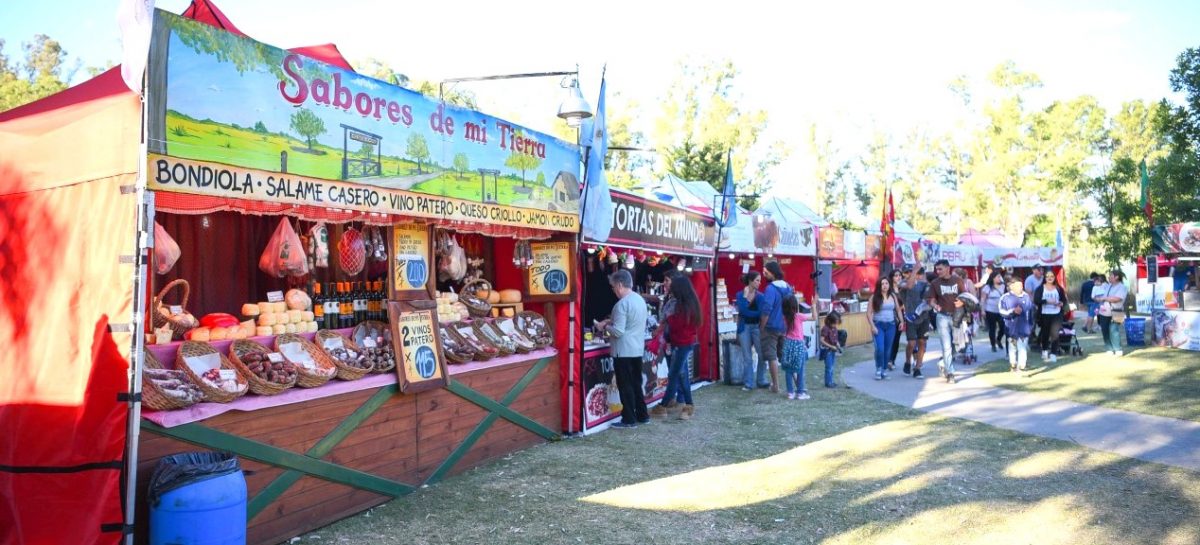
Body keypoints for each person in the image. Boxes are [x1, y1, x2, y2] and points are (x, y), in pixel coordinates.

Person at [595, 270, 650, 429]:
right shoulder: (639, 299)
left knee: (625, 385)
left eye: (613, 287)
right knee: (636, 384)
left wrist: (605, 325)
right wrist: (611, 321)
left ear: (619, 285)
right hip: (637, 348)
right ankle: (642, 415)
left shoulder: (621, 305)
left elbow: (618, 331)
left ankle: (629, 419)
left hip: (623, 351)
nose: (613, 290)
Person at [656, 273, 701, 420]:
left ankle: (664, 405)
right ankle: (686, 404)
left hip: (682, 343)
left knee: (674, 374)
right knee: (680, 374)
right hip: (681, 343)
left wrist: (668, 319)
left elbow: (677, 325)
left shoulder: (682, 306)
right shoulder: (688, 303)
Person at [758, 261, 794, 394]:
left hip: (771, 327)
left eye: (766, 273)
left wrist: (762, 326)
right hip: (784, 327)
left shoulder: (771, 289)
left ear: (772, 273)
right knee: (784, 356)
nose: (764, 275)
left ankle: (776, 386)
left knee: (772, 356)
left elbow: (767, 310)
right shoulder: (788, 288)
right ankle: (796, 381)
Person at [927, 259, 963, 383]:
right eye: (936, 269)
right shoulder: (935, 283)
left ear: (948, 268)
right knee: (946, 346)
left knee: (958, 346)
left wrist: (962, 302)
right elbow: (931, 300)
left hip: (956, 316)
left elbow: (964, 296)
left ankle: (943, 363)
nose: (938, 271)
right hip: (942, 317)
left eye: (940, 269)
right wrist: (935, 306)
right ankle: (951, 373)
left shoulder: (957, 281)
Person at [736, 272, 769, 391]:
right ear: (750, 281)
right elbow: (743, 311)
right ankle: (748, 382)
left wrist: (747, 311)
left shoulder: (760, 296)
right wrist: (745, 297)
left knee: (761, 354)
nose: (759, 283)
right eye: (757, 280)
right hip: (744, 327)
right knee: (747, 357)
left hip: (757, 326)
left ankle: (761, 379)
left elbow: (759, 312)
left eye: (760, 280)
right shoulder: (740, 295)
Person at [866, 275, 903, 380]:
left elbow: (898, 310)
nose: (885, 285)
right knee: (880, 349)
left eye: (886, 283)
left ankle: (884, 369)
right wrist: (872, 326)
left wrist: (901, 321)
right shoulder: (874, 297)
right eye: (882, 284)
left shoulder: (893, 296)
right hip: (878, 325)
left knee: (887, 350)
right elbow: (869, 313)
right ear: (879, 285)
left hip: (891, 325)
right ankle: (878, 368)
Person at [999, 278, 1035, 374]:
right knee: (1012, 348)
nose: (1021, 287)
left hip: (1024, 328)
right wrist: (1013, 312)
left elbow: (1031, 312)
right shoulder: (1005, 298)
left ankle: (1022, 367)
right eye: (1019, 285)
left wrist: (1030, 326)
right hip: (1011, 328)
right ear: (1011, 286)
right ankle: (1013, 364)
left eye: (1021, 285)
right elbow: (1002, 312)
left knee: (1022, 348)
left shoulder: (1026, 297)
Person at [900, 265, 930, 379]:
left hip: (924, 317)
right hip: (911, 317)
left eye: (911, 272)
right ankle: (908, 361)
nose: (909, 274)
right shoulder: (903, 283)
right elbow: (909, 285)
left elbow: (929, 295)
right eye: (907, 272)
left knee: (922, 342)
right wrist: (914, 272)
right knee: (912, 343)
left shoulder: (924, 283)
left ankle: (917, 368)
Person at [780, 295, 810, 400]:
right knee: (800, 369)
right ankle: (800, 392)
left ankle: (790, 392)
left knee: (789, 369)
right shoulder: (798, 316)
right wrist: (814, 306)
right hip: (798, 344)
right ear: (795, 305)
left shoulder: (785, 317)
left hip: (788, 343)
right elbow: (814, 317)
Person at [1034, 271, 1068, 362]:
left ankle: (1053, 353)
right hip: (1044, 314)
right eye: (1047, 276)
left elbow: (1064, 300)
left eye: (1052, 276)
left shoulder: (1058, 288)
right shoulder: (1040, 288)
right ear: (1044, 278)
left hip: (1056, 314)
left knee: (1055, 334)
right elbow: (1036, 300)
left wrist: (1061, 303)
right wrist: (1047, 301)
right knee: (1045, 334)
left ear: (1054, 277)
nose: (1049, 278)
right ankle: (1045, 350)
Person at [1093, 269, 1129, 356]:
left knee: (1114, 330)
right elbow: (1104, 296)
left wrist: (1104, 298)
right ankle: (1109, 348)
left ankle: (1118, 349)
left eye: (1110, 276)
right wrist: (1098, 299)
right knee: (1104, 330)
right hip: (1104, 311)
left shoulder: (1122, 287)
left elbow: (1117, 299)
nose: (1108, 277)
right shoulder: (1108, 286)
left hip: (1118, 311)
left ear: (1116, 277)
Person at [980, 270, 1008, 352]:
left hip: (1001, 311)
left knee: (1003, 328)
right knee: (992, 328)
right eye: (998, 277)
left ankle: (998, 339)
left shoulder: (1004, 286)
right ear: (993, 278)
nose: (1000, 278)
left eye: (1000, 277)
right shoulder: (987, 287)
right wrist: (983, 310)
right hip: (990, 310)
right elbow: (983, 299)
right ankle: (993, 345)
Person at [887, 269, 905, 371]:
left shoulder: (903, 289)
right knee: (890, 338)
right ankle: (888, 359)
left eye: (900, 275)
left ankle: (892, 360)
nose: (898, 277)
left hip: (900, 317)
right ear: (892, 277)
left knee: (896, 340)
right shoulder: (889, 290)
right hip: (890, 316)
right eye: (896, 275)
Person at [818, 314, 842, 388]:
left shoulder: (834, 328)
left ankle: (831, 381)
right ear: (829, 321)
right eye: (834, 323)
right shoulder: (825, 328)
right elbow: (821, 340)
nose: (835, 325)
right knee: (829, 367)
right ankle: (828, 383)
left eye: (836, 323)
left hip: (833, 351)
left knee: (831, 366)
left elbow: (835, 339)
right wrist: (831, 346)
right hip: (827, 351)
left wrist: (838, 344)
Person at [1025, 265, 1045, 345]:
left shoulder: (1044, 278)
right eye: (1039, 270)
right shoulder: (1029, 280)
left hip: (1043, 304)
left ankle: (1040, 339)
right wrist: (1035, 304)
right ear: (1034, 271)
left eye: (1042, 270)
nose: (1041, 272)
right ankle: (1030, 339)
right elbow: (1029, 294)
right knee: (1032, 323)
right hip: (1032, 304)